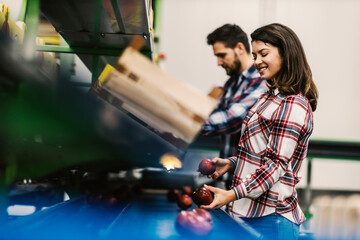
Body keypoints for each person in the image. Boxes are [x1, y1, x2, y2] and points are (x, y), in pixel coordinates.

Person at [200, 23, 319, 240]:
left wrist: (231, 194)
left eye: (263, 54)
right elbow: (262, 154)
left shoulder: (293, 105)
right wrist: (232, 163)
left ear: (286, 53)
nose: (256, 62)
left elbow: (276, 166)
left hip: (271, 220)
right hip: (248, 213)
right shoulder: (269, 96)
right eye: (254, 55)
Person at [201, 24, 268, 158]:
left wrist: (188, 122)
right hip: (228, 173)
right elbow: (212, 113)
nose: (219, 62)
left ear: (240, 48)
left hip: (249, 176)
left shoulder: (260, 80)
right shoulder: (231, 83)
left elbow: (233, 118)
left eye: (222, 55)